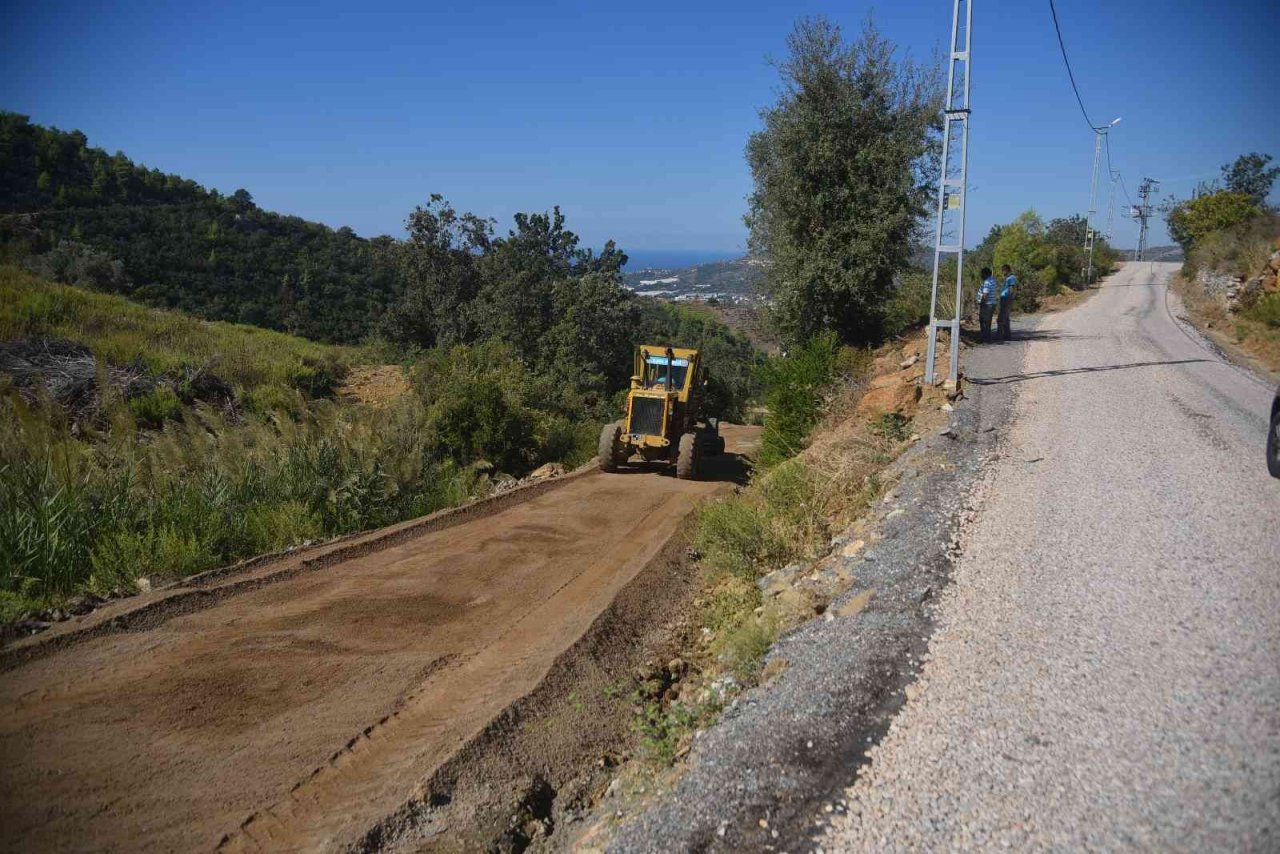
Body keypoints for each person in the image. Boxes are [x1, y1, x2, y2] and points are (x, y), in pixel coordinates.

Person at [976, 266, 998, 343]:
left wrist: (981, 302)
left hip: (986, 304)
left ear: (985, 274)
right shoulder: (993, 280)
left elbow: (985, 294)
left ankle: (984, 339)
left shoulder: (987, 282)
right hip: (992, 304)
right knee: (988, 322)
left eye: (982, 274)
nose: (981, 275)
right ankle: (987, 338)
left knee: (983, 321)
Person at [998, 264, 1017, 342]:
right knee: (1006, 318)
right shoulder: (1008, 278)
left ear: (1006, 270)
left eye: (1003, 271)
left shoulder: (1011, 278)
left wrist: (1009, 299)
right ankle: (1007, 335)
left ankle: (999, 336)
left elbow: (1011, 289)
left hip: (1006, 299)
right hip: (1005, 298)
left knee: (1001, 318)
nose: (1002, 273)